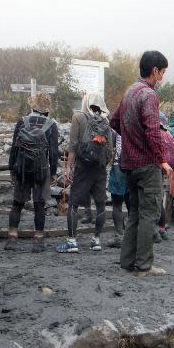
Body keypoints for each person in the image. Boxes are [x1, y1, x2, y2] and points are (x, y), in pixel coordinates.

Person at [109, 50, 172, 276]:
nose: (163, 77)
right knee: (149, 213)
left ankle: (127, 262)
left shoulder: (130, 92)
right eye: (163, 72)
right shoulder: (149, 95)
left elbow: (113, 121)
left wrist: (131, 139)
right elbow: (154, 131)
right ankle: (144, 265)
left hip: (128, 164)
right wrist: (162, 160)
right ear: (155, 71)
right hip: (146, 165)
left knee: (134, 212)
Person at [57, 92, 114, 253]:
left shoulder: (78, 117)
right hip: (100, 169)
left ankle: (72, 242)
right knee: (101, 203)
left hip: (83, 167)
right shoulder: (106, 122)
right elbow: (109, 150)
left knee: (74, 203)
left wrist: (68, 167)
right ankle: (96, 240)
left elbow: (73, 145)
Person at [5, 93, 59, 253]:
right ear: (47, 109)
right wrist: (53, 173)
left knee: (17, 204)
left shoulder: (22, 121)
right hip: (41, 171)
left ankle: (12, 238)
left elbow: (14, 148)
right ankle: (38, 241)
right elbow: (54, 153)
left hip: (21, 169)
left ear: (33, 106)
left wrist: (12, 170)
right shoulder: (51, 125)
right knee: (39, 205)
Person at [155, 113, 174, 242]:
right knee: (159, 201)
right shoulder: (169, 135)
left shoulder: (155, 134)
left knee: (154, 201)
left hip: (154, 169)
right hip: (165, 170)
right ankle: (162, 229)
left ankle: (156, 231)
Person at [107, 134, 128, 247]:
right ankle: (132, 236)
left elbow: (110, 147)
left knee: (117, 204)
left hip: (118, 166)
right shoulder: (137, 123)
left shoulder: (117, 126)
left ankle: (120, 236)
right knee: (132, 205)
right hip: (133, 166)